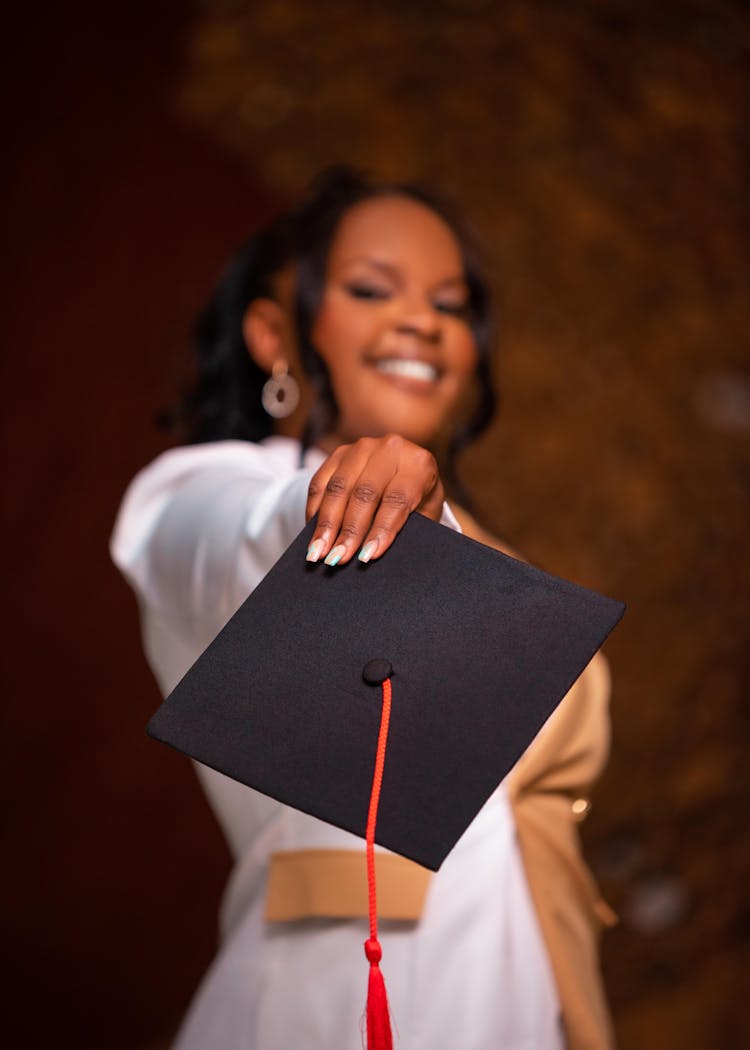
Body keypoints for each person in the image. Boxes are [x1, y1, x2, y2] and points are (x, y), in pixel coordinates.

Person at [111, 166, 616, 1049]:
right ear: (274, 333)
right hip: (349, 991)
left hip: (525, 989)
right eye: (371, 288)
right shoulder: (212, 490)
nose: (423, 319)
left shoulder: (480, 544)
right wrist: (325, 500)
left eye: (451, 304)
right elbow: (241, 542)